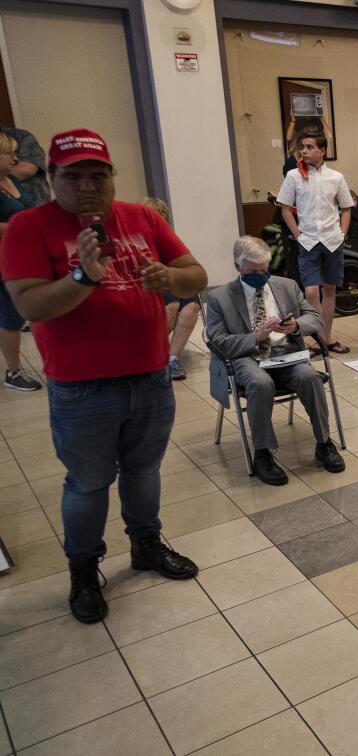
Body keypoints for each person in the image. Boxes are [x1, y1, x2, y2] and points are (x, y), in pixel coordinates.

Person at [1, 129, 208, 623]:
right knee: (89, 483)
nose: (88, 186)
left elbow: (196, 273)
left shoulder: (140, 218)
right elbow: (29, 303)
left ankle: (146, 545)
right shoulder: (30, 228)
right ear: (53, 178)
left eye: (99, 175)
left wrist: (170, 278)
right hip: (82, 388)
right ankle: (83, 567)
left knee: (144, 471)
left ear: (113, 177)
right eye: (74, 176)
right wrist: (83, 276)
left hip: (150, 377)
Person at [206, 236, 345, 485]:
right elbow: (218, 342)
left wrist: (295, 326)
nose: (261, 275)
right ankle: (263, 453)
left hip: (286, 353)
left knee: (310, 377)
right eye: (253, 271)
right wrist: (254, 337)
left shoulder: (287, 285)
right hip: (247, 357)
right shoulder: (220, 298)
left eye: (264, 270)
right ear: (238, 268)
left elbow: (315, 317)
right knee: (260, 384)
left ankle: (324, 443)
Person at [277, 133, 354, 354]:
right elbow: (284, 207)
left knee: (330, 289)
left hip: (332, 240)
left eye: (309, 147)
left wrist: (342, 233)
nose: (304, 151)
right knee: (311, 292)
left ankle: (326, 339)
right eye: (302, 147)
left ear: (322, 151)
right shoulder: (293, 176)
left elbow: (346, 208)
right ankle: (317, 338)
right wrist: (297, 233)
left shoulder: (336, 177)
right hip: (308, 240)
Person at [142, 197, 200, 380]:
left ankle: (172, 358)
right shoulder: (134, 240)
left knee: (191, 307)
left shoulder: (167, 238)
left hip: (169, 282)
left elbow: (186, 266)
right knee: (172, 305)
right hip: (147, 287)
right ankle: (153, 355)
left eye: (161, 219)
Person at [0, 132, 41, 390]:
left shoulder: (12, 179)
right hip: (3, 258)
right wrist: (17, 228)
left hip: (22, 254)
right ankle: (13, 372)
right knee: (11, 315)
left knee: (32, 309)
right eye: (9, 154)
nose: (15, 158)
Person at [1, 122, 50, 207]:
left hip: (37, 204)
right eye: (9, 153)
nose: (15, 158)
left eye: (14, 153)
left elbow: (27, 169)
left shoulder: (21, 136)